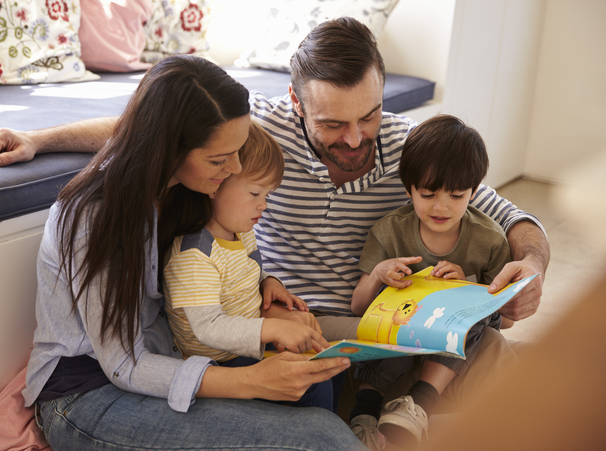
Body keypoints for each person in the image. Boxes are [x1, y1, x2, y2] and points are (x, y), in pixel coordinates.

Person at [0, 17, 549, 413]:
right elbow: (151, 131)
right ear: (297, 104)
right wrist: (39, 137)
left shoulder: (409, 147)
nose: (355, 139)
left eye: (369, 115)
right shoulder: (255, 137)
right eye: (332, 124)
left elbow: (509, 214)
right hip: (285, 326)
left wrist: (532, 265)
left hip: (369, 317)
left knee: (498, 357)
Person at [19, 54, 361, 451]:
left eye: (236, 150)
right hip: (88, 397)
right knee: (322, 438)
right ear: (169, 149)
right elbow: (123, 363)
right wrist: (251, 381)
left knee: (311, 390)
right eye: (219, 159)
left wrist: (266, 288)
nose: (233, 168)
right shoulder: (94, 217)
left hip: (169, 360)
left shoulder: (186, 186)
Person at [347, 114, 514, 449]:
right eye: (427, 194)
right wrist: (379, 274)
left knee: (473, 316)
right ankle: (364, 413)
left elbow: (504, 319)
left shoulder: (490, 240)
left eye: (456, 195)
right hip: (400, 325)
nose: (441, 206)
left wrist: (466, 288)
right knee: (390, 317)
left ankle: (418, 404)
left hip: (453, 337)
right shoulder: (388, 231)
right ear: (409, 188)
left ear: (474, 192)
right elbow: (358, 306)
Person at [163, 120, 333, 411]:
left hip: (250, 341)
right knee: (312, 381)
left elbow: (245, 269)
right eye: (255, 194)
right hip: (220, 362)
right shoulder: (194, 255)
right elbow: (208, 328)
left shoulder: (240, 231)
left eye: (267, 195)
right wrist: (274, 329)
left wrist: (269, 282)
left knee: (327, 367)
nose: (263, 205)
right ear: (215, 185)